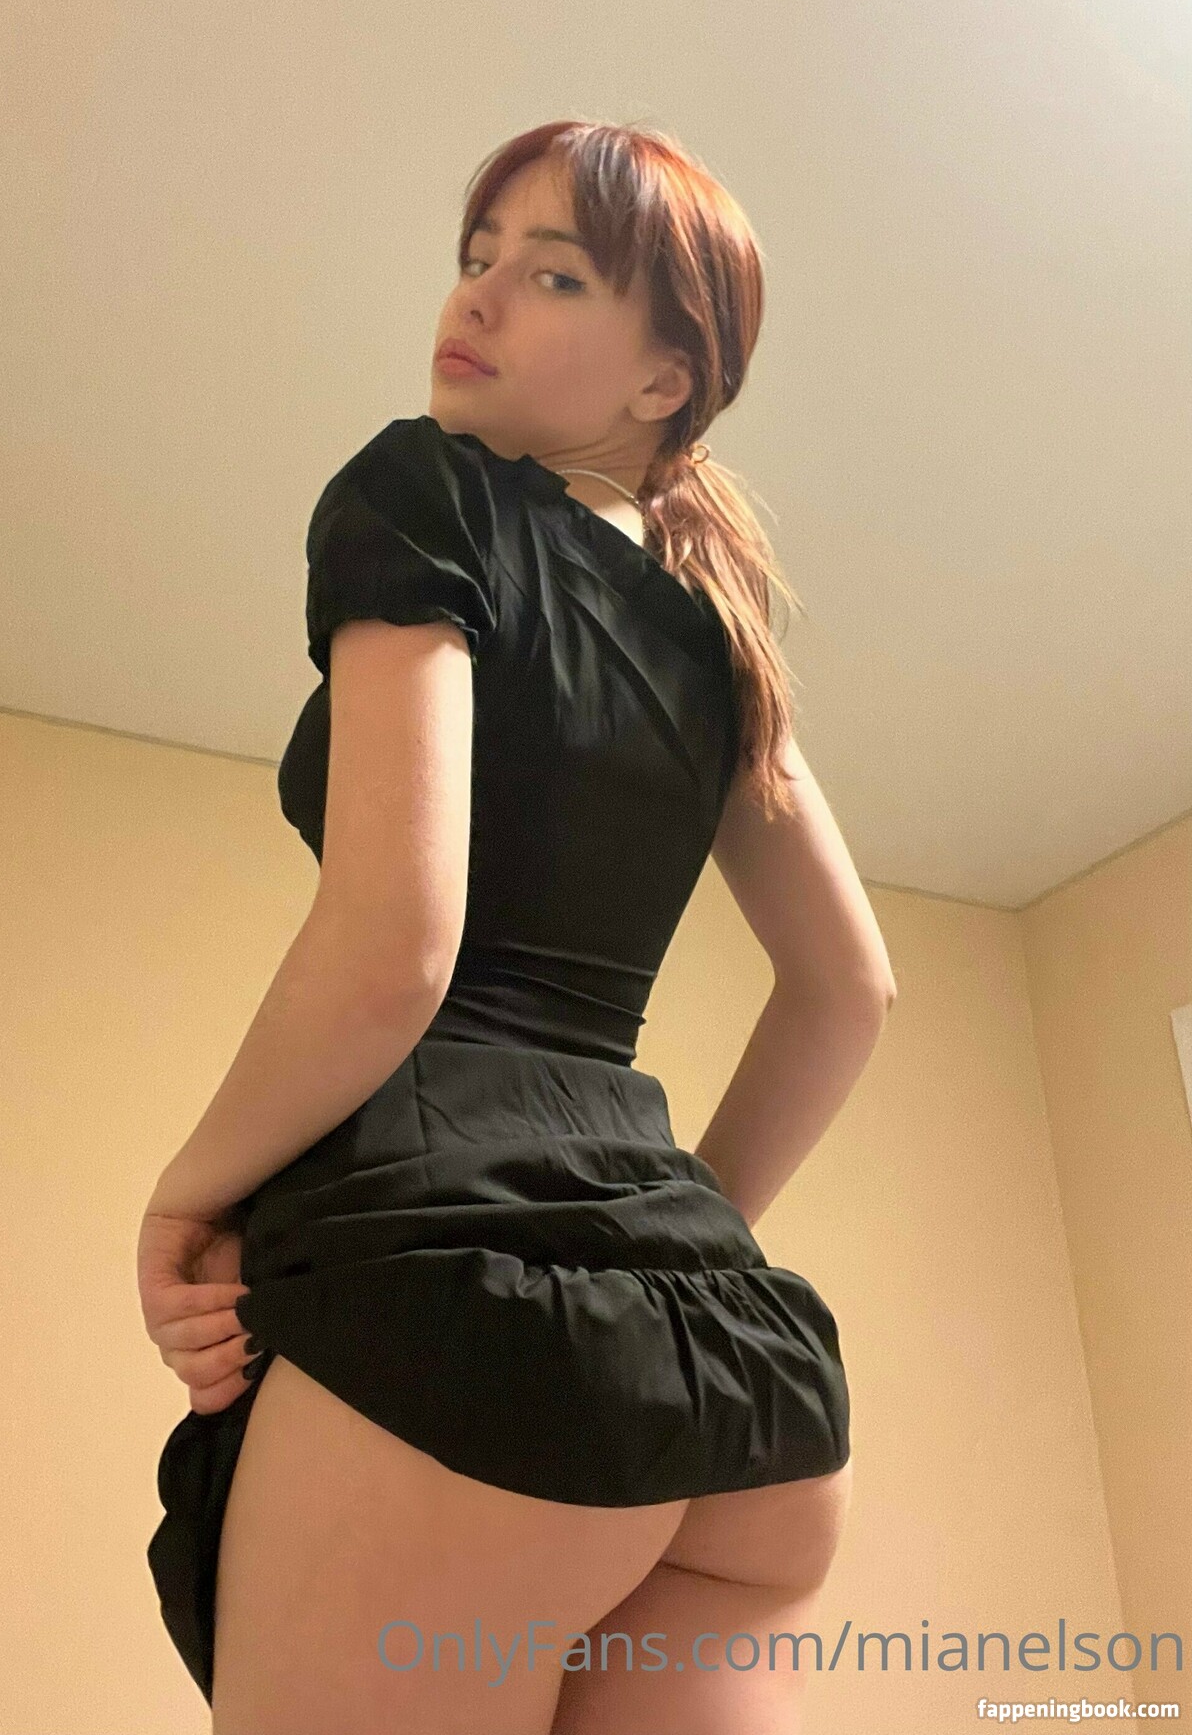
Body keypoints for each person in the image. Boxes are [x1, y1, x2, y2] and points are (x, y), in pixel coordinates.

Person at [137, 118, 896, 1734]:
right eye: (476, 256)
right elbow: (851, 992)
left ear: (666, 379)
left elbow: (396, 946)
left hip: (469, 1336)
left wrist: (185, 1196)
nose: (476, 295)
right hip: (744, 1402)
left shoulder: (426, 496)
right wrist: (674, 1253)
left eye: (553, 274)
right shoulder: (720, 645)